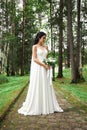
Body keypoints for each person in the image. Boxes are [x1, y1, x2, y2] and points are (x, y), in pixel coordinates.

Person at [18, 31, 63, 115]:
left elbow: (46, 58)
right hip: (38, 68)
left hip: (45, 68)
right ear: (39, 38)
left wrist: (49, 64)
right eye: (43, 38)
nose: (44, 39)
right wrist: (43, 65)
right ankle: (37, 106)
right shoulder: (34, 47)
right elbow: (35, 59)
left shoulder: (46, 47)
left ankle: (46, 105)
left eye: (45, 38)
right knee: (38, 84)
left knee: (45, 85)